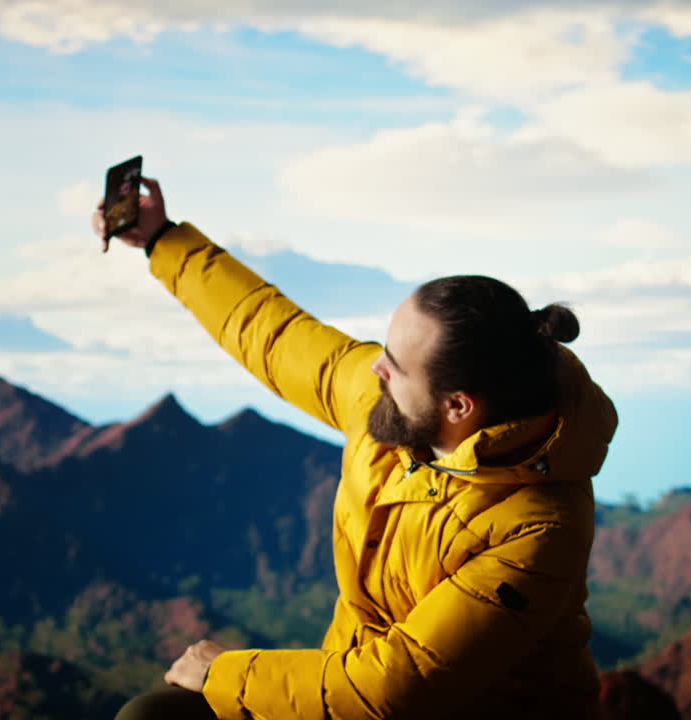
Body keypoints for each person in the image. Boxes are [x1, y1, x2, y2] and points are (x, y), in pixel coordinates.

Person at [96, 177, 618, 720]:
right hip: (351, 689)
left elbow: (398, 685)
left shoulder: (540, 526)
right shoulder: (388, 406)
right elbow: (271, 331)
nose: (375, 366)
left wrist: (224, 675)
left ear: (458, 406)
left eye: (395, 365)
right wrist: (162, 239)